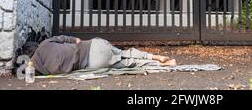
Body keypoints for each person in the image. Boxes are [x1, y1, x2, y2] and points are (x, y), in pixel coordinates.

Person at [29, 35, 176, 75]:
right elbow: (66, 38)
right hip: (95, 45)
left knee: (129, 63)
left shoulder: (49, 70)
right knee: (125, 52)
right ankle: (154, 56)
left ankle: (163, 64)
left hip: (94, 63)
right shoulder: (45, 44)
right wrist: (74, 40)